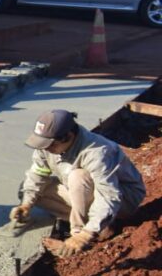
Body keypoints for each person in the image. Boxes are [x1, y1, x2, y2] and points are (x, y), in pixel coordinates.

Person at [10, 109, 145, 257]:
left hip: (123, 199)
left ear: (68, 136)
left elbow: (108, 196)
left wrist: (84, 235)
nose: (46, 149)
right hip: (83, 191)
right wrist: (27, 204)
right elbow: (37, 174)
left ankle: (81, 233)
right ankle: (100, 224)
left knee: (79, 177)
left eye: (50, 145)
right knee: (27, 188)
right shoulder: (47, 146)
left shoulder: (97, 152)